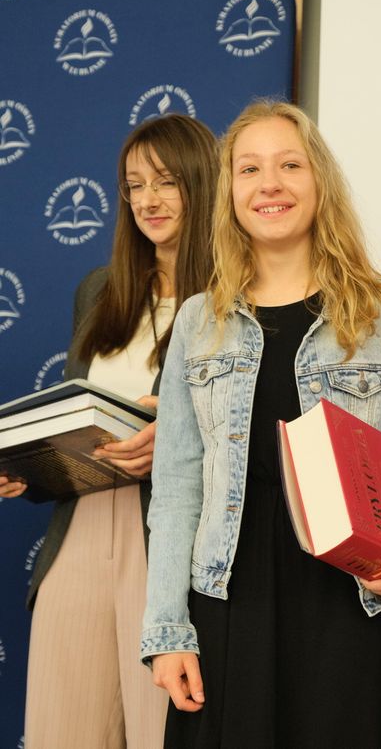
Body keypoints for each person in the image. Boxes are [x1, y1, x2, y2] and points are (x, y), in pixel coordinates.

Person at [141, 100, 381, 749]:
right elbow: (178, 485)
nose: (269, 184)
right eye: (249, 169)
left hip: (348, 600)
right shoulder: (196, 321)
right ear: (229, 193)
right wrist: (166, 630)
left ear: (320, 180)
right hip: (226, 598)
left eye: (290, 165)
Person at [0, 113, 219, 749]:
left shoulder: (236, 296)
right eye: (134, 185)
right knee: (62, 732)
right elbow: (78, 425)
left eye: (167, 181)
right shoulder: (99, 290)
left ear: (202, 183)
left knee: (164, 732)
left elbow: (252, 433)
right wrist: (28, 469)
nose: (148, 200)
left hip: (172, 540)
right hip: (81, 529)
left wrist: (172, 431)